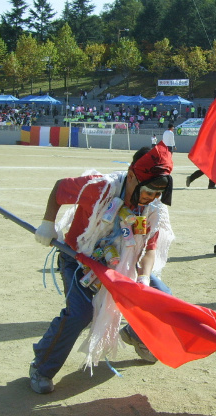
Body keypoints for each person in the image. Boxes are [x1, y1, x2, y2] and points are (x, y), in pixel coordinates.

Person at [30, 142, 175, 394]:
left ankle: (135, 334)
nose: (152, 198)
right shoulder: (99, 188)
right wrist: (47, 223)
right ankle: (42, 366)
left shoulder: (152, 209)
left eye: (158, 193)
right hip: (80, 261)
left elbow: (150, 247)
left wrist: (143, 277)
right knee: (80, 313)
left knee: (162, 299)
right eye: (149, 191)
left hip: (123, 267)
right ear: (132, 176)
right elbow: (59, 188)